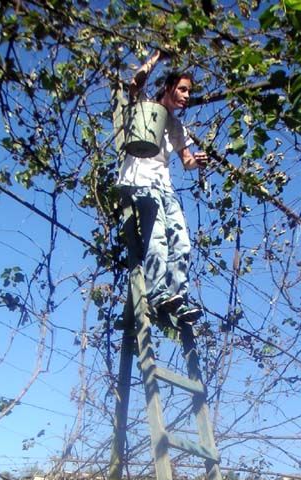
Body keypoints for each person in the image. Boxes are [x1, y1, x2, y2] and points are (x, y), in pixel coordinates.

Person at [118, 51, 207, 323]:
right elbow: (135, 84)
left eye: (189, 91)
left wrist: (198, 161)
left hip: (165, 187)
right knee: (157, 241)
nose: (186, 95)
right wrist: (157, 56)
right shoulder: (147, 107)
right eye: (182, 89)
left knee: (182, 243)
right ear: (168, 87)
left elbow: (187, 161)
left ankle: (177, 299)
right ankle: (157, 294)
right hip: (142, 183)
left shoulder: (177, 127)